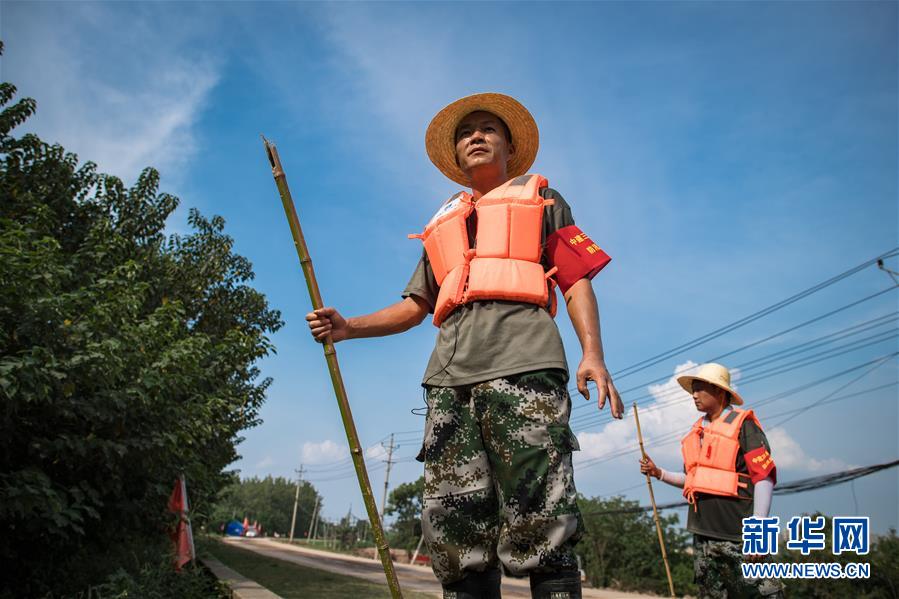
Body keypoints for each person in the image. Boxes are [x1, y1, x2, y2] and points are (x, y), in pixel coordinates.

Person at [307, 93, 623, 599]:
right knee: (455, 524)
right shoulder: (444, 223)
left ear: (507, 145)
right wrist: (349, 327)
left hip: (525, 370)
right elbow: (414, 307)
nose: (475, 136)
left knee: (542, 517)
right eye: (466, 132)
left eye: (487, 128)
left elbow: (577, 278)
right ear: (456, 153)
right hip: (449, 385)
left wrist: (593, 354)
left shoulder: (541, 197)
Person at [639, 363, 784, 598]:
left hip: (739, 536)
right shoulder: (697, 432)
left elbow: (764, 477)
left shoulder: (743, 425)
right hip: (704, 537)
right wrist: (659, 473)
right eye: (692, 390)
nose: (693, 395)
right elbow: (693, 479)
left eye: (699, 389)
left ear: (719, 391)